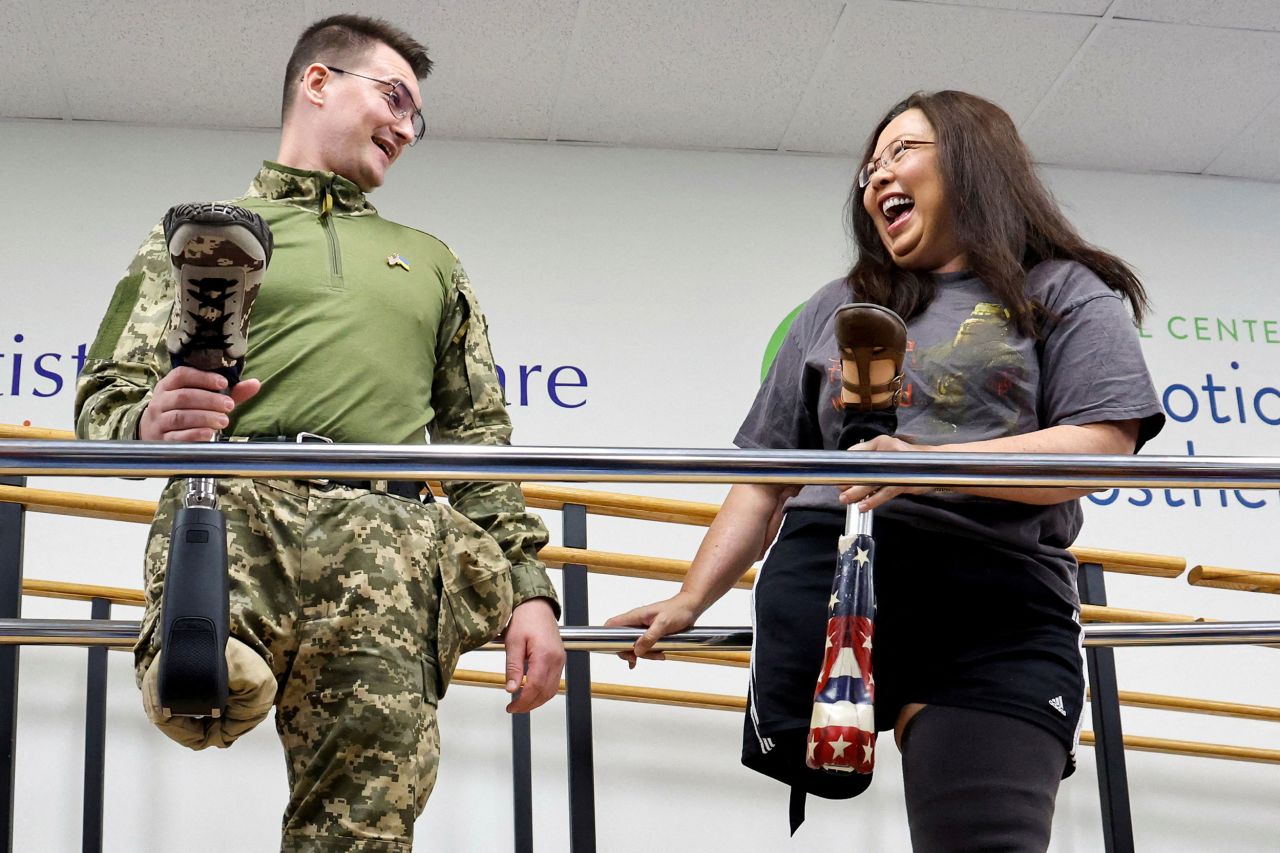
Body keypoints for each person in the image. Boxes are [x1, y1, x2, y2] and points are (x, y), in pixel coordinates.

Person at [608, 90, 1165, 851]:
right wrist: (692, 596)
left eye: (901, 151)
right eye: (870, 166)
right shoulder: (835, 307)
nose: (875, 178)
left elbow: (1100, 444)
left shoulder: (1060, 289)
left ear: (973, 163)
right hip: (834, 591)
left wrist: (931, 463)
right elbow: (767, 474)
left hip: (995, 604)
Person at [75, 15, 564, 852]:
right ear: (317, 82)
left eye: (419, 117)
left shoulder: (431, 259)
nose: (408, 128)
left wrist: (530, 588)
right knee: (200, 689)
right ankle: (202, 661)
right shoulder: (198, 235)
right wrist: (150, 418)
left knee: (364, 829)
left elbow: (478, 435)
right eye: (394, 98)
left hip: (389, 546)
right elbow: (103, 403)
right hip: (233, 512)